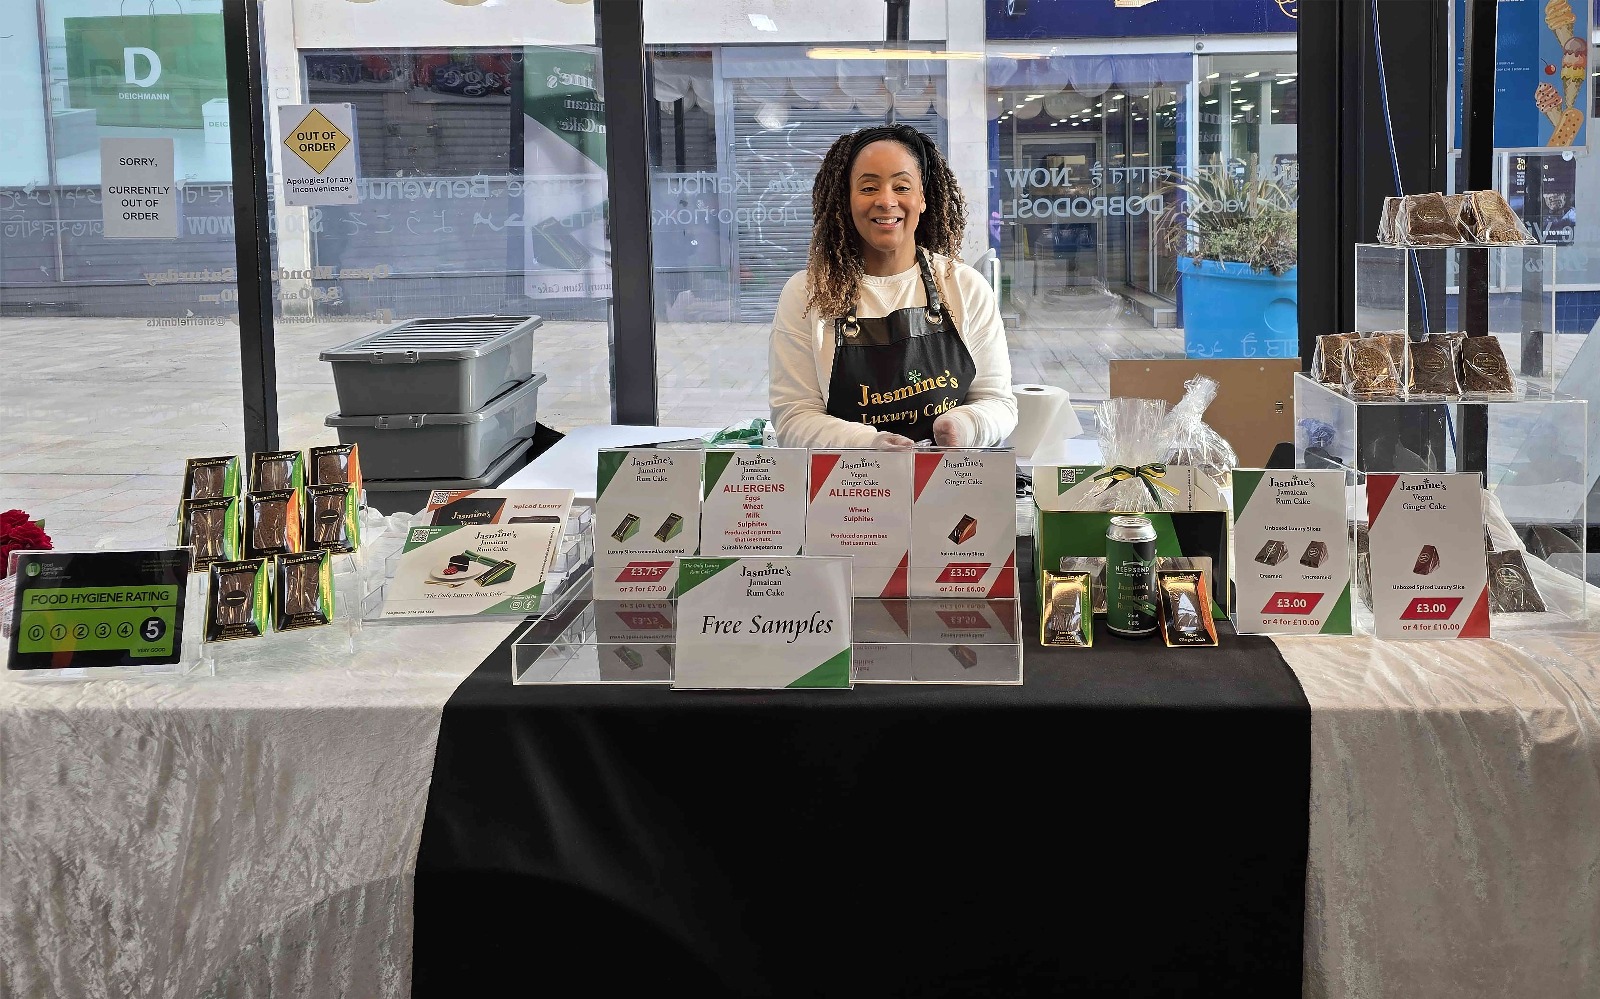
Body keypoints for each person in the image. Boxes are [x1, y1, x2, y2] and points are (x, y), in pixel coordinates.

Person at [769, 124, 1017, 449]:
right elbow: (793, 416)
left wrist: (962, 427)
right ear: (846, 200)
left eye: (901, 187)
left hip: (949, 484)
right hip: (852, 486)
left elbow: (998, 403)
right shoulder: (807, 294)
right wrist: (868, 444)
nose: (886, 201)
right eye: (869, 188)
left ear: (923, 199)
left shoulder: (964, 286)